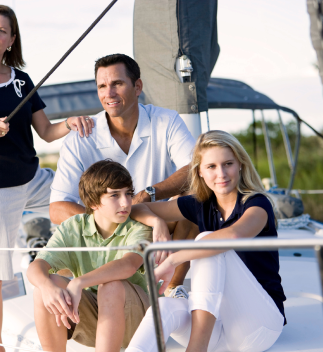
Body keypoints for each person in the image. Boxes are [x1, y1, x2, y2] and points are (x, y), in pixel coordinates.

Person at [0, 5, 93, 351]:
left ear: (11, 40)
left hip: (33, 178)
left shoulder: (21, 80)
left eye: (2, 31)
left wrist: (70, 123)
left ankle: (100, 280)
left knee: (88, 206)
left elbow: (47, 131)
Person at [49, 53, 198, 295]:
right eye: (102, 86)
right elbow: (56, 209)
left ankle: (172, 289)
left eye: (117, 83)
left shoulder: (166, 120)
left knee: (195, 199)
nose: (109, 93)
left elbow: (195, 169)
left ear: (137, 86)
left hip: (155, 222)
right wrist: (113, 219)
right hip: (107, 227)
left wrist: (149, 194)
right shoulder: (80, 137)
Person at [126, 130, 286, 352]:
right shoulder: (200, 204)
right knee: (164, 306)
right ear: (200, 172)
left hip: (259, 326)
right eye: (211, 166)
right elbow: (136, 209)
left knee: (207, 240)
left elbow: (234, 235)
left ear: (240, 165)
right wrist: (157, 222)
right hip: (217, 329)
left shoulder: (257, 204)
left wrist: (172, 261)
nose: (221, 173)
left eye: (228, 164)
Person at [27, 160, 153, 351]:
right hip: (96, 321)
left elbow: (128, 265)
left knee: (110, 287)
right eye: (115, 195)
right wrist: (46, 286)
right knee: (44, 288)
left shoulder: (138, 227)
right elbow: (37, 267)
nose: (126, 202)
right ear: (93, 202)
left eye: (128, 193)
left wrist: (78, 282)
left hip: (140, 322)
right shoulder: (74, 226)